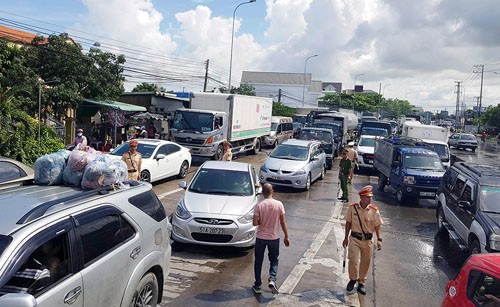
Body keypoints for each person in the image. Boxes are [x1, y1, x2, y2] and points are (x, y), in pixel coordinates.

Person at [342, 185, 383, 295]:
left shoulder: (374, 211)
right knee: (353, 260)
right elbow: (348, 223)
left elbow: (378, 226)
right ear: (361, 197)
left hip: (368, 240)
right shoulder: (353, 208)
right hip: (355, 238)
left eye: (370, 197)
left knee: (365, 262)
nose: (369, 199)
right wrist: (345, 237)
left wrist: (379, 239)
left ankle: (361, 282)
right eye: (367, 197)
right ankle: (353, 279)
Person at [252, 183, 290, 295]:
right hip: (274, 238)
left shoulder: (259, 205)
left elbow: (255, 223)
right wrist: (286, 236)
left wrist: (260, 221)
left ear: (262, 193)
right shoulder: (279, 204)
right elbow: (283, 222)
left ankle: (257, 285)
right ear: (272, 191)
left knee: (258, 261)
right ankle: (272, 279)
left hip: (261, 238)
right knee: (274, 260)